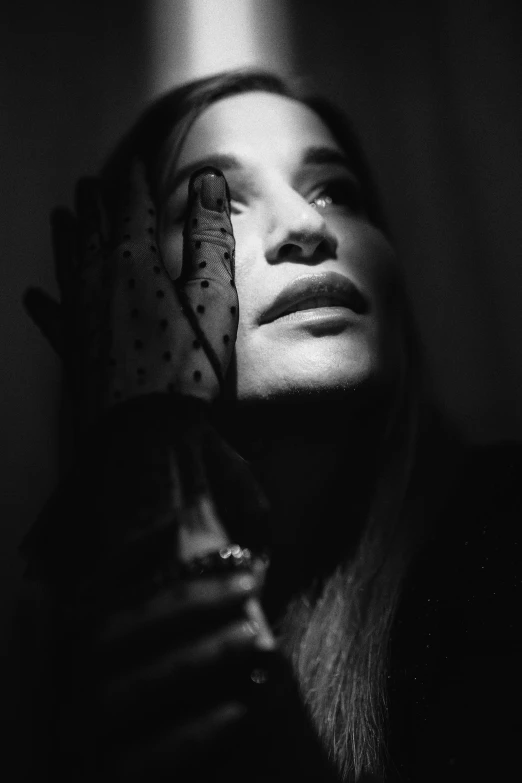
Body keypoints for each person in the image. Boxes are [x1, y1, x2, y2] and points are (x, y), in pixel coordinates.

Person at [22, 69, 521, 782]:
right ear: (121, 292)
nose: (308, 226)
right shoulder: (53, 654)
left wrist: (153, 436)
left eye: (335, 191)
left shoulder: (500, 536)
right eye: (214, 203)